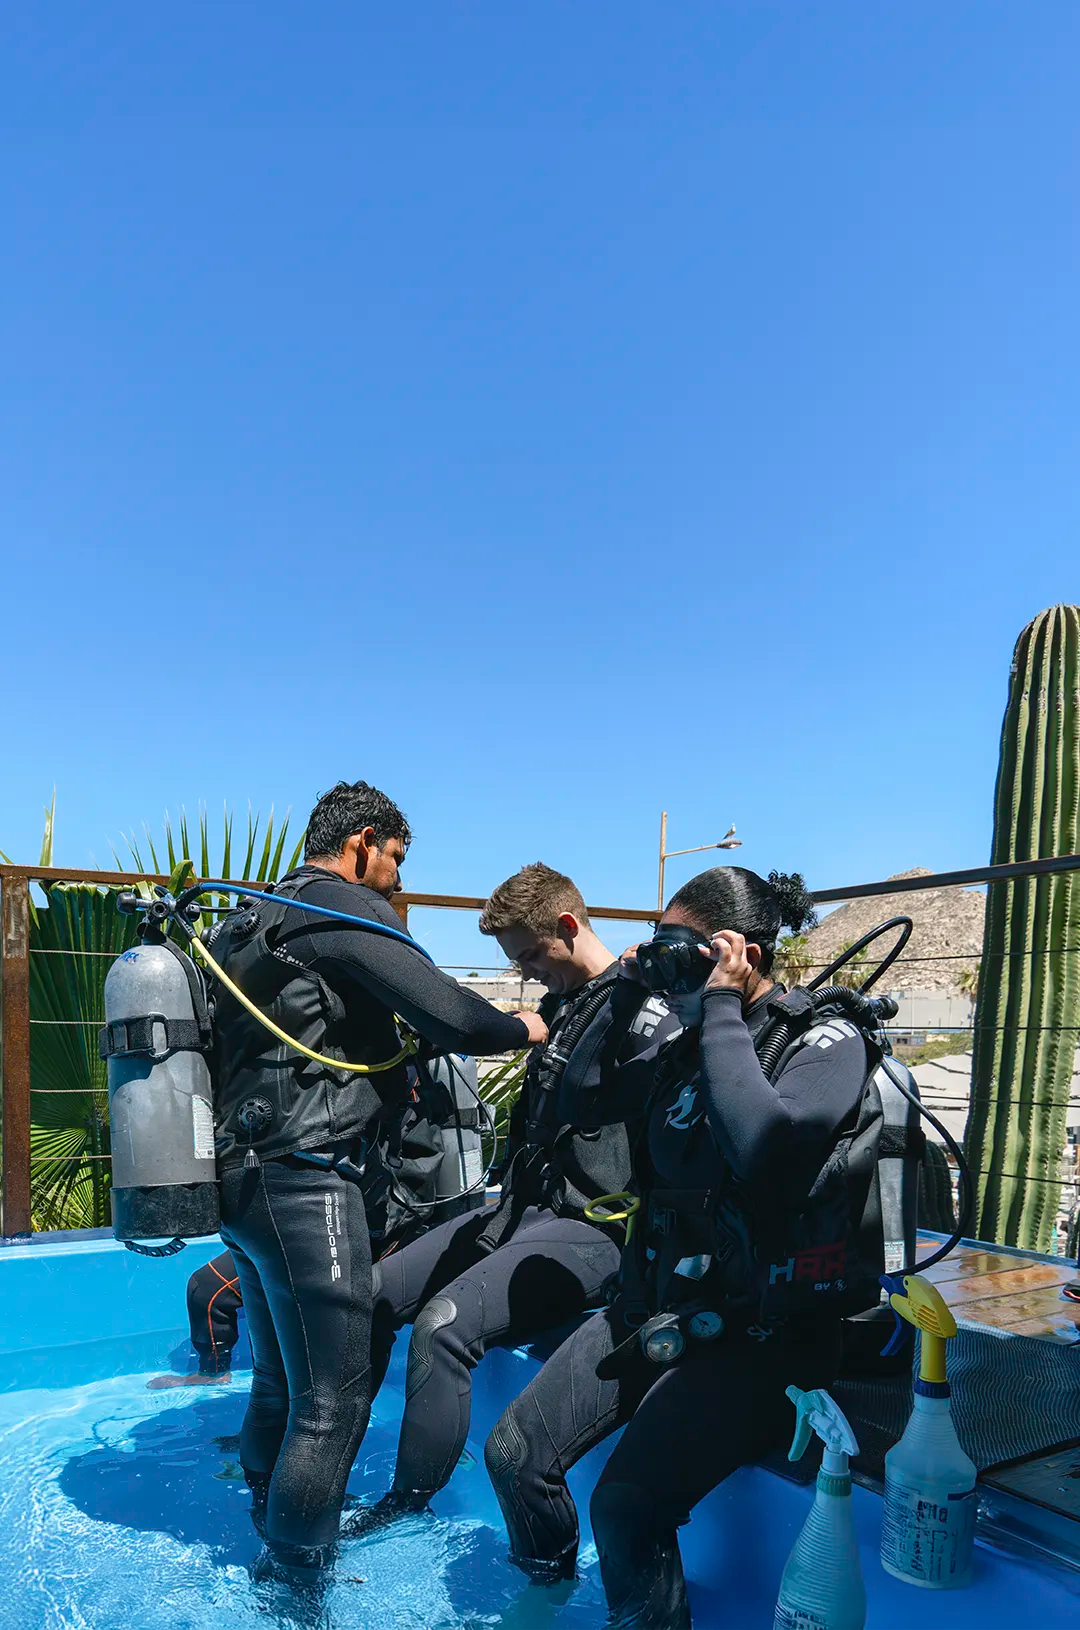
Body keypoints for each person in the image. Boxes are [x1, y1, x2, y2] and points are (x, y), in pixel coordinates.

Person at [484, 866, 877, 1629]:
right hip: (662, 1304)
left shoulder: (825, 1041)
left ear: (743, 953)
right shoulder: (684, 1042)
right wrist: (629, 988)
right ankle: (545, 1603)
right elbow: (581, 1097)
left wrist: (723, 1001)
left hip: (766, 1337)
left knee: (628, 1506)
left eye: (681, 949)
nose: (668, 964)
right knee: (515, 1452)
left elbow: (762, 1142)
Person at [208, 780, 544, 1590]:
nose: (395, 882)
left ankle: (267, 1519)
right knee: (333, 1403)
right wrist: (527, 1026)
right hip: (307, 1181)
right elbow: (455, 1017)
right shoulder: (340, 912)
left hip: (238, 1183)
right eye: (394, 862)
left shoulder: (249, 917)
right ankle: (295, 1586)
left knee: (279, 1382)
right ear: (364, 842)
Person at [353, 862, 680, 1531]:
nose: (529, 972)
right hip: (522, 1208)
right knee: (374, 1295)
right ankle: (331, 1450)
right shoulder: (566, 1004)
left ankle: (406, 1506)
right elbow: (516, 1024)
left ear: (567, 927)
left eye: (532, 956)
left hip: (597, 1227)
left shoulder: (643, 1003)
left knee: (443, 1325)